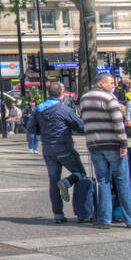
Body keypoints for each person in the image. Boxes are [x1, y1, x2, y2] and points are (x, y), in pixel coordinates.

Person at [27, 81, 90, 224]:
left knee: (53, 182)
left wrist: (44, 132)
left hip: (48, 149)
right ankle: (81, 209)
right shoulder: (64, 109)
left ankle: (58, 214)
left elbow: (31, 128)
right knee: (81, 175)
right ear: (62, 94)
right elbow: (80, 126)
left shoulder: (38, 109)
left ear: (49, 93)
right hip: (65, 148)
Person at [80, 75, 131, 229]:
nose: (114, 85)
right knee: (121, 180)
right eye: (111, 83)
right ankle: (130, 218)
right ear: (102, 83)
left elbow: (84, 122)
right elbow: (118, 123)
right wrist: (123, 143)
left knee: (103, 182)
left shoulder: (84, 99)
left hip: (94, 145)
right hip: (112, 145)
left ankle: (104, 219)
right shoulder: (109, 99)